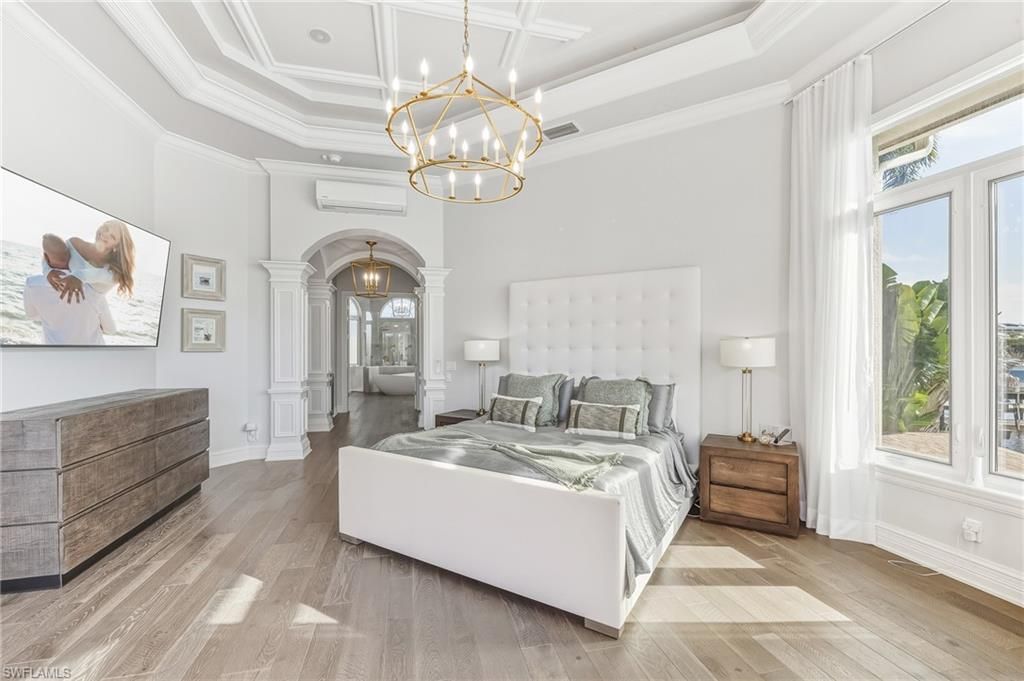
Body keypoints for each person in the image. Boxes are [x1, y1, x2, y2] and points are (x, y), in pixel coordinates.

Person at [43, 220, 136, 304]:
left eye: (112, 236)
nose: (105, 234)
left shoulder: (115, 272)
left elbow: (96, 274)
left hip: (89, 315)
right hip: (59, 306)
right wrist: (47, 271)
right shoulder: (74, 243)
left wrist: (78, 276)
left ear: (117, 246)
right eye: (106, 228)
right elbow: (51, 251)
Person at [23, 275, 116, 344]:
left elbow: (31, 315)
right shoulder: (92, 290)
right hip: (91, 358)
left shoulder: (32, 283)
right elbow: (110, 329)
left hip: (53, 356)